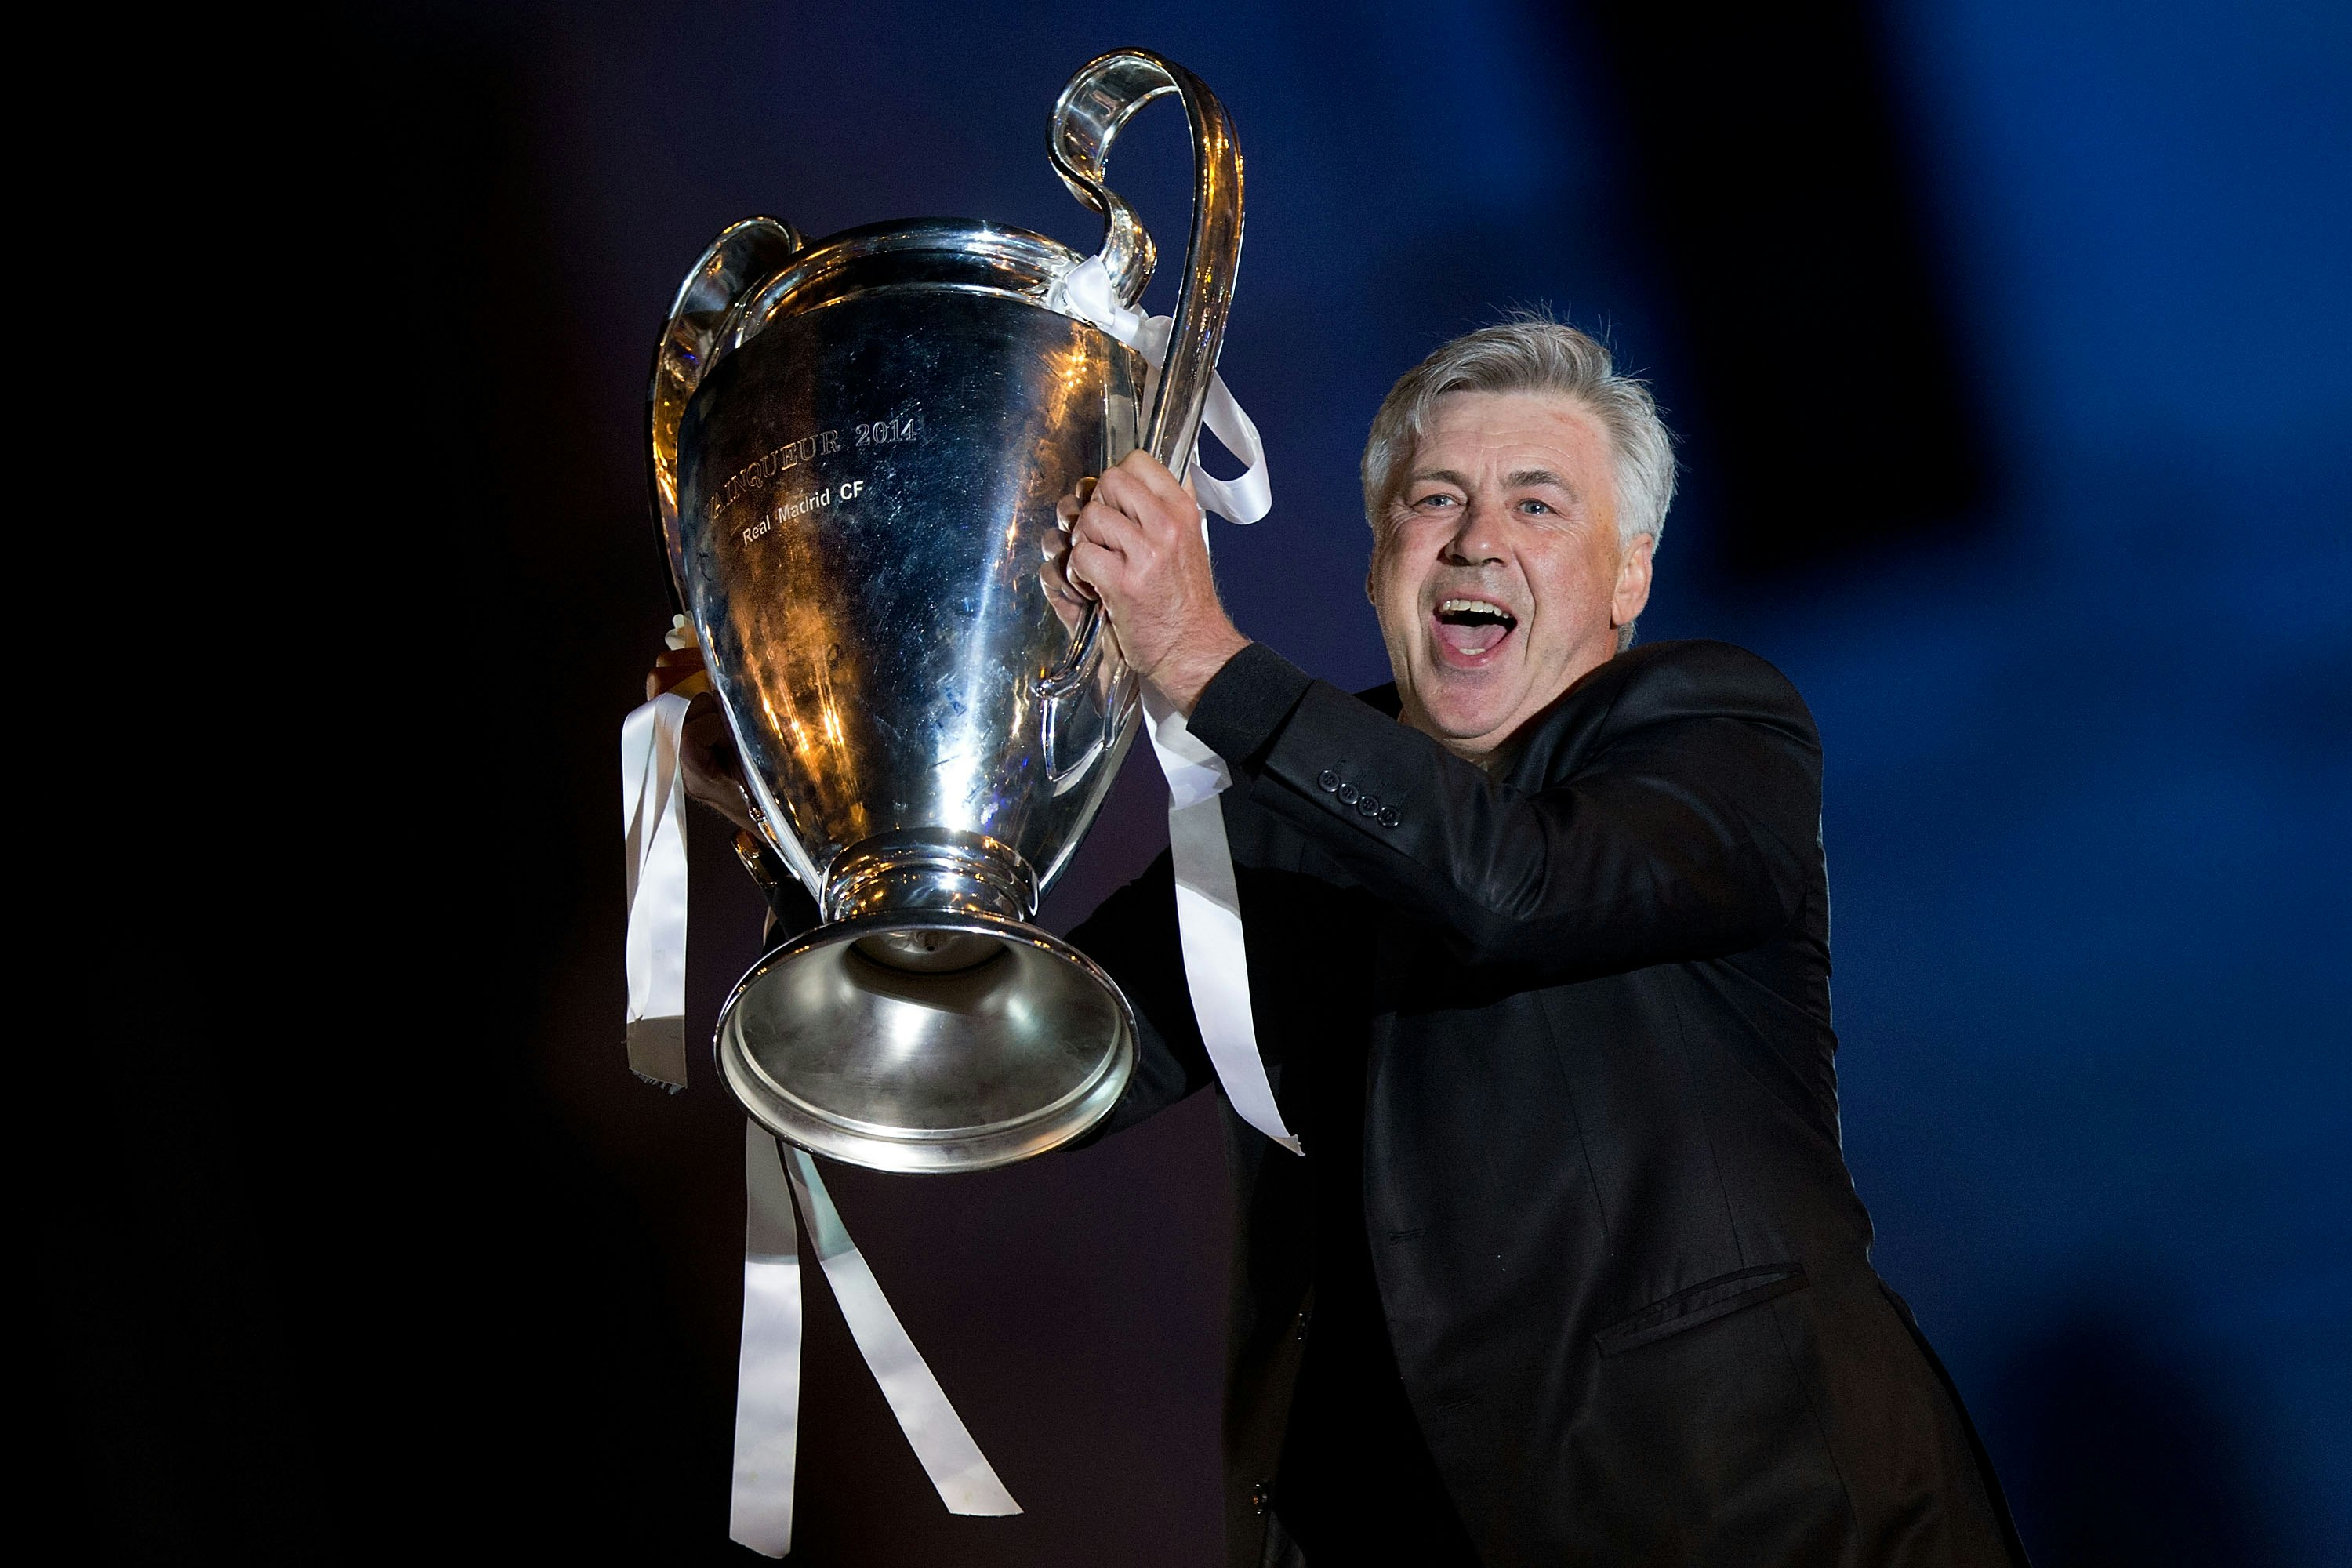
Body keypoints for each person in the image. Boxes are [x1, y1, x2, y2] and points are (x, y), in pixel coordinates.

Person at [662, 316, 2028, 1566]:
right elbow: (1013, 1074)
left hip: (1756, 1525)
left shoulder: (1715, 728)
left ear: (1628, 577)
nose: (1476, 539)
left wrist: (1204, 661)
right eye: (1433, 502)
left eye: (1536, 506)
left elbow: (1514, 887)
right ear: (1380, 566)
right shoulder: (1281, 830)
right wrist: (810, 824)